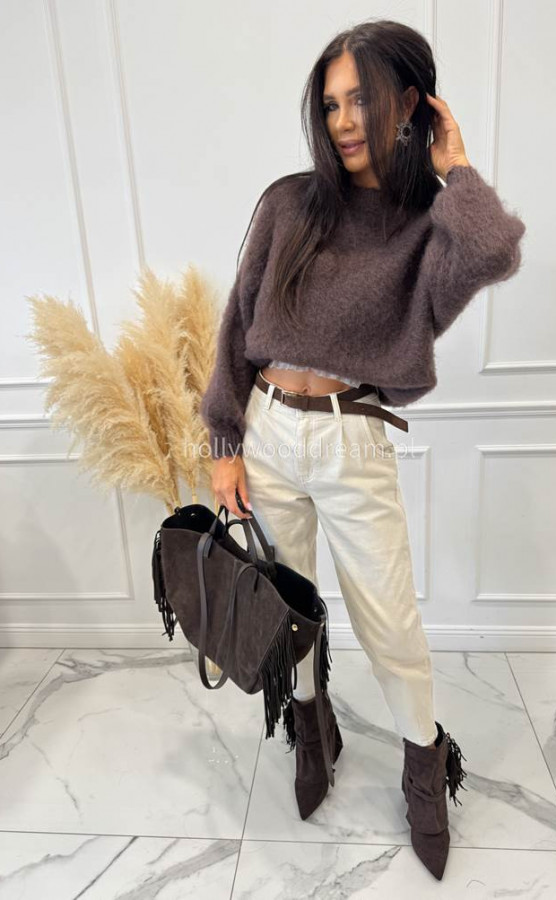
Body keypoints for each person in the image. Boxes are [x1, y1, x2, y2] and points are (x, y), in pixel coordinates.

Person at [200, 19, 525, 881]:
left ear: (409, 103)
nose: (343, 122)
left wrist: (455, 166)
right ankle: (311, 727)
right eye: (331, 104)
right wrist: (225, 440)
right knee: (290, 609)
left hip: (353, 440)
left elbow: (494, 250)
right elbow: (237, 322)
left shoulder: (427, 230)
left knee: (389, 625)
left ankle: (425, 764)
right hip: (269, 432)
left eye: (362, 101)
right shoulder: (288, 204)